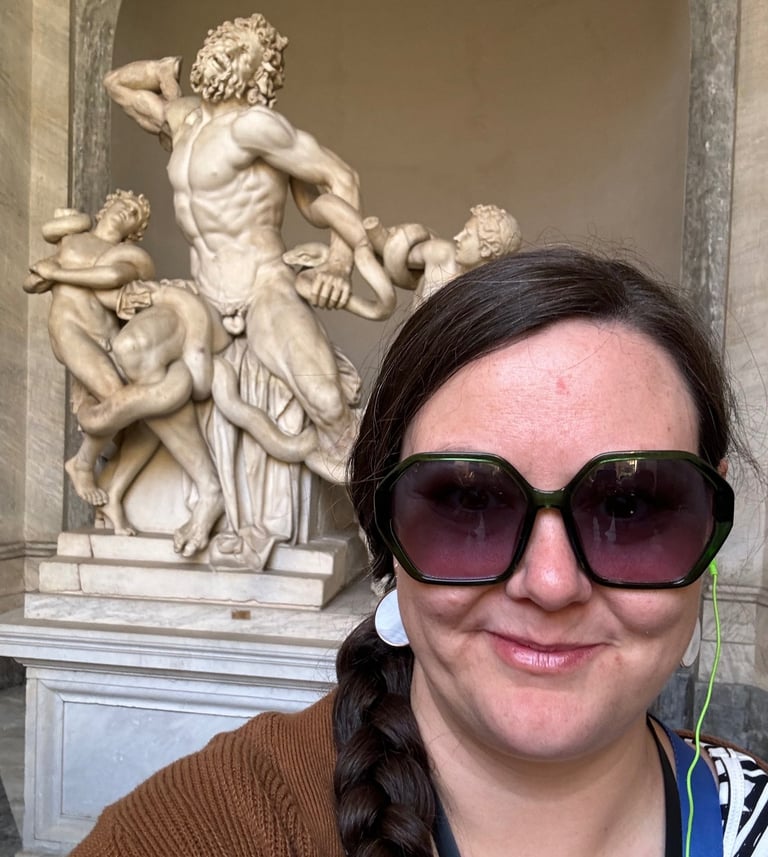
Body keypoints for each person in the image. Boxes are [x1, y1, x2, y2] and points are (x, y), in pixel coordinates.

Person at [69, 248, 768, 857]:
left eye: (630, 505)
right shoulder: (214, 827)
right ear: (383, 521)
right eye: (469, 502)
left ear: (711, 518)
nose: (552, 583)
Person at [104, 14, 363, 483]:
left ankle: (375, 523)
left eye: (240, 47)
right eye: (220, 39)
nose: (224, 49)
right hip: (202, 298)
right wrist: (164, 72)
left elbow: (340, 176)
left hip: (261, 287)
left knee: (327, 402)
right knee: (132, 349)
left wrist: (340, 264)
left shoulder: (256, 127)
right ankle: (206, 488)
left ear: (257, 73)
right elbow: (116, 84)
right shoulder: (182, 118)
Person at [366, 203, 522, 310]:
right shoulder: (441, 254)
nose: (457, 237)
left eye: (467, 235)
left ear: (487, 250)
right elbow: (392, 253)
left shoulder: (488, 299)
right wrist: (375, 233)